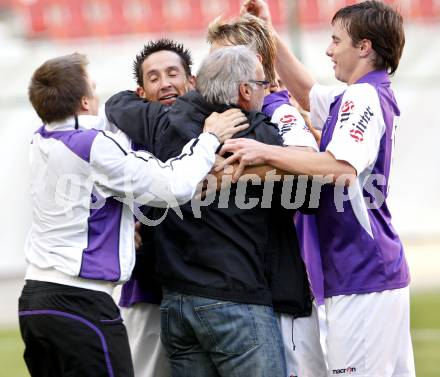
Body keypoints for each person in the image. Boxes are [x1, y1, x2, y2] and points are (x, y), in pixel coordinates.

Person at [18, 52, 247, 377]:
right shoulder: (93, 144)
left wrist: (128, 224)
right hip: (81, 303)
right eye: (93, 90)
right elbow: (173, 185)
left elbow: (95, 197)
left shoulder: (40, 139)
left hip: (33, 302)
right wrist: (209, 137)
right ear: (85, 102)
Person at [221, 1, 415, 376]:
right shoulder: (363, 93)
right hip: (373, 273)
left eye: (335, 39)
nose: (328, 49)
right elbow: (308, 94)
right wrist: (268, 34)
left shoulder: (363, 97)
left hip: (361, 273)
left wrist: (267, 152)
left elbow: (339, 169)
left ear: (364, 47)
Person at [106, 45, 317, 377]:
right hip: (236, 298)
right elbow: (310, 197)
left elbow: (116, 102)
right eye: (263, 85)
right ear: (245, 90)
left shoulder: (160, 122)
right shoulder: (256, 134)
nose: (267, 91)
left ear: (196, 82)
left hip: (176, 305)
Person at [208, 15, 327, 377]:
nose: (216, 70)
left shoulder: (279, 111)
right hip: (250, 288)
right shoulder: (230, 115)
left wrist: (238, 173)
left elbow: (311, 180)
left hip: (284, 293)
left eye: (224, 59)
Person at [117, 38, 197, 377]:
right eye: (153, 77)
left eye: (172, 73)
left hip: (209, 292)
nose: (165, 83)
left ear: (191, 81)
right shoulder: (123, 143)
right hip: (148, 291)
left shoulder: (214, 127)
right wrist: (124, 224)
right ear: (140, 92)